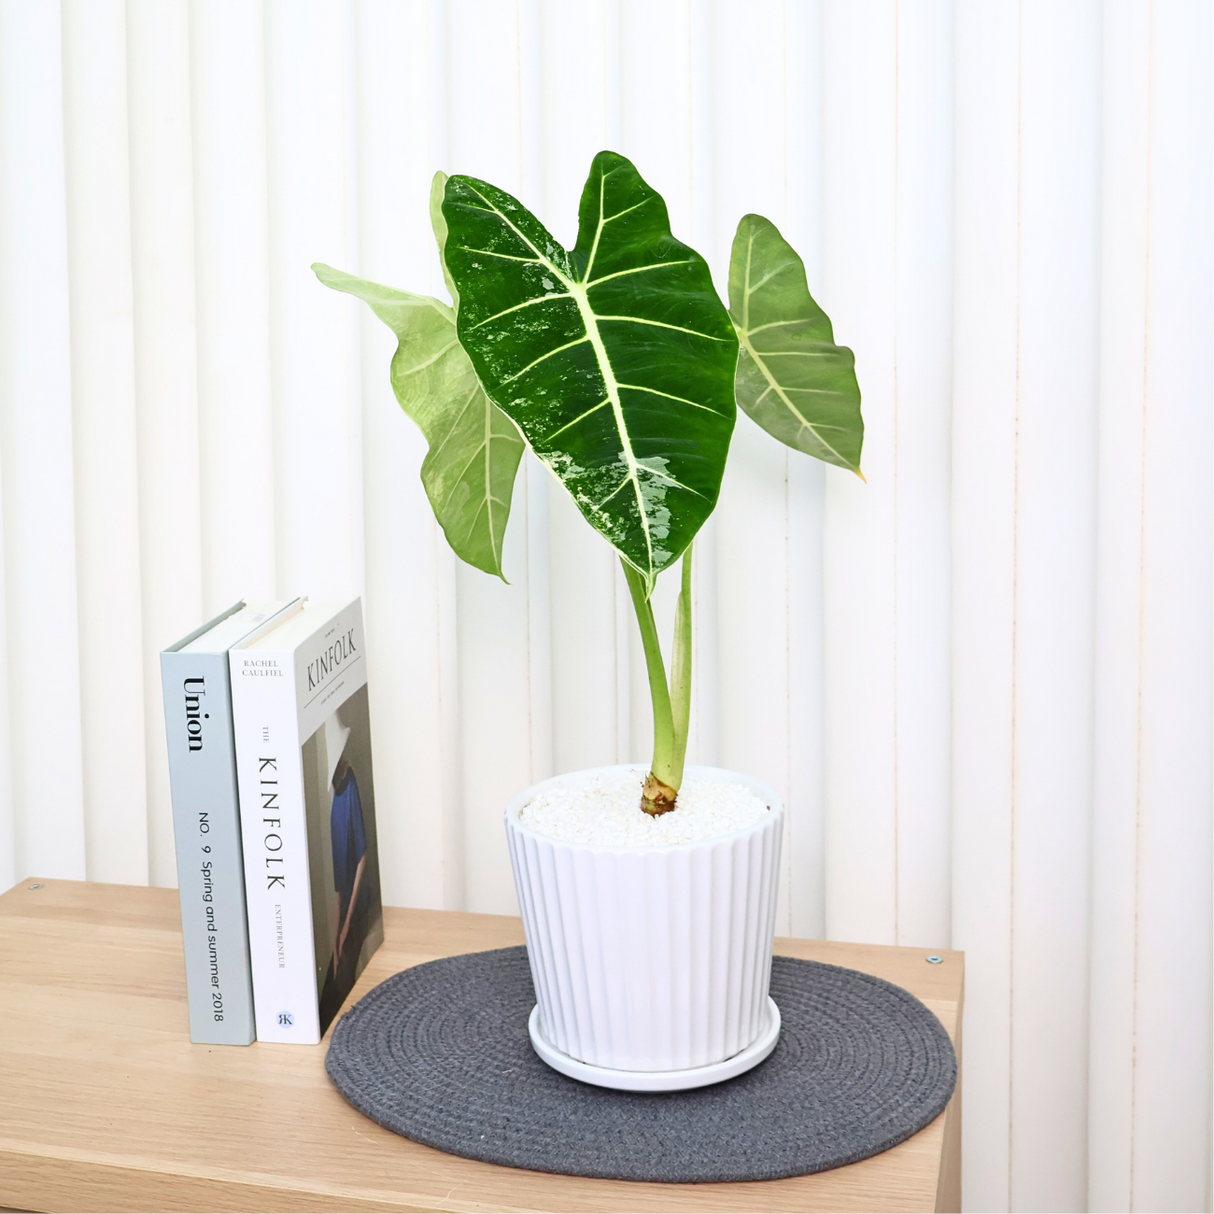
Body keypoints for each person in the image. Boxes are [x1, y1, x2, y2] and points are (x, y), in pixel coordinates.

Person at [318, 710, 369, 1029]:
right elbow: (339, 878)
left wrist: (348, 923)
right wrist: (337, 933)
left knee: (345, 970)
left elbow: (361, 856)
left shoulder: (350, 789)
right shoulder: (337, 799)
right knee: (334, 969)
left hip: (358, 903)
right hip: (345, 903)